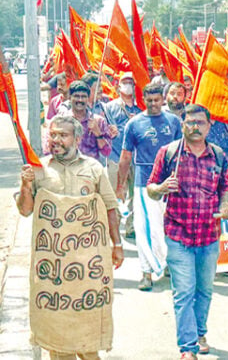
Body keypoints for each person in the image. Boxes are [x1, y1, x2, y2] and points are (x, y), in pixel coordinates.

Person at [16, 115, 124, 360]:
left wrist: (116, 245)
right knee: (58, 342)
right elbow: (25, 210)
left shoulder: (93, 168)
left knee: (87, 341)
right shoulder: (38, 168)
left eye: (62, 135)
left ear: (77, 138)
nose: (56, 140)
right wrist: (25, 185)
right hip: (54, 271)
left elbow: (109, 207)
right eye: (53, 134)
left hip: (87, 266)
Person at [147, 104, 228, 359]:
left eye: (200, 122)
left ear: (209, 126)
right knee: (183, 291)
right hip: (178, 234)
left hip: (209, 235)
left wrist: (226, 205)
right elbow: (150, 189)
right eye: (189, 122)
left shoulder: (219, 155)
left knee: (205, 290)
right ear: (182, 124)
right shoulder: (169, 153)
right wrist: (162, 187)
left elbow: (225, 188)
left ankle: (199, 332)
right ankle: (188, 348)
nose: (194, 127)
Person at [117, 82, 182, 291]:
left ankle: (169, 267)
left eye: (157, 100)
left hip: (170, 183)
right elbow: (126, 156)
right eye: (149, 100)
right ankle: (146, 273)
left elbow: (182, 152)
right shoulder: (134, 124)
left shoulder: (173, 122)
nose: (153, 104)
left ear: (163, 100)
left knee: (167, 228)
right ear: (143, 100)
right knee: (144, 229)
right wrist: (120, 185)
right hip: (144, 183)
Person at [103, 72, 142, 238]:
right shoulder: (110, 108)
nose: (128, 85)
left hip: (137, 157)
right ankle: (115, 225)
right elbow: (103, 129)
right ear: (118, 86)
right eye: (124, 82)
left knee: (135, 194)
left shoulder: (141, 108)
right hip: (116, 156)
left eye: (131, 83)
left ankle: (132, 226)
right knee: (116, 193)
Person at [61, 80, 113, 166]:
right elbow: (49, 150)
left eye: (83, 96)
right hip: (67, 169)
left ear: (88, 98)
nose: (80, 100)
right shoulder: (61, 121)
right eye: (76, 96)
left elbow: (106, 152)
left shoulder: (99, 121)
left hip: (90, 171)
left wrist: (98, 133)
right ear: (70, 98)